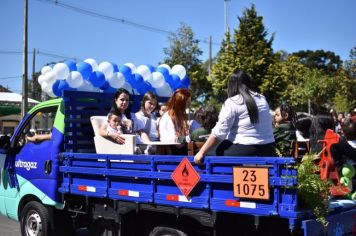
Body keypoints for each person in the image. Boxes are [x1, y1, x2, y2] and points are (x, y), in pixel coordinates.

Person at [194, 69, 275, 164]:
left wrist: (201, 152)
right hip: (268, 148)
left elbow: (219, 132)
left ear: (231, 85)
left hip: (245, 149)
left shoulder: (232, 102)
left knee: (206, 155)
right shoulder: (262, 99)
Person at [158, 88, 192, 154]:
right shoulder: (168, 117)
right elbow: (175, 140)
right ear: (181, 103)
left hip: (177, 149)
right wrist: (187, 138)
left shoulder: (178, 116)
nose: (189, 105)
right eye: (187, 102)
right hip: (170, 151)